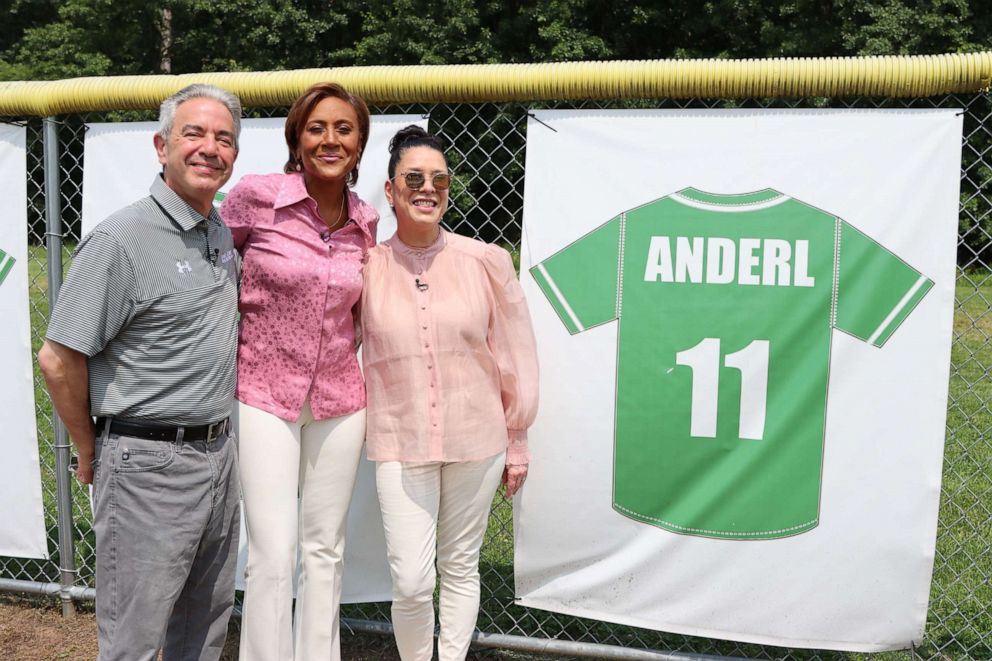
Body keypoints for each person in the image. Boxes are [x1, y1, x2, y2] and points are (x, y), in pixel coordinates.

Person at [37, 84, 242, 661]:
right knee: (135, 638)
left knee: (202, 629)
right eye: (194, 134)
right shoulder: (121, 239)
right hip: (147, 463)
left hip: (217, 454)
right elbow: (58, 357)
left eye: (223, 139)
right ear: (161, 145)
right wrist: (88, 447)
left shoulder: (218, 233)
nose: (209, 149)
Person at [361, 125, 539, 661]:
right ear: (390, 191)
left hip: (477, 437)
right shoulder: (364, 265)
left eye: (438, 179)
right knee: (412, 580)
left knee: (460, 565)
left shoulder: (485, 261)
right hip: (399, 439)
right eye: (413, 177)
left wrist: (518, 437)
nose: (427, 187)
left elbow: (514, 353)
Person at [219, 82, 379, 661]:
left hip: (340, 399)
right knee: (273, 549)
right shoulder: (256, 198)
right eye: (317, 128)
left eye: (343, 128)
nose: (329, 139)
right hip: (263, 391)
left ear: (360, 145)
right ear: (296, 138)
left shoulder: (367, 220)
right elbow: (215, 271)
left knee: (325, 549)